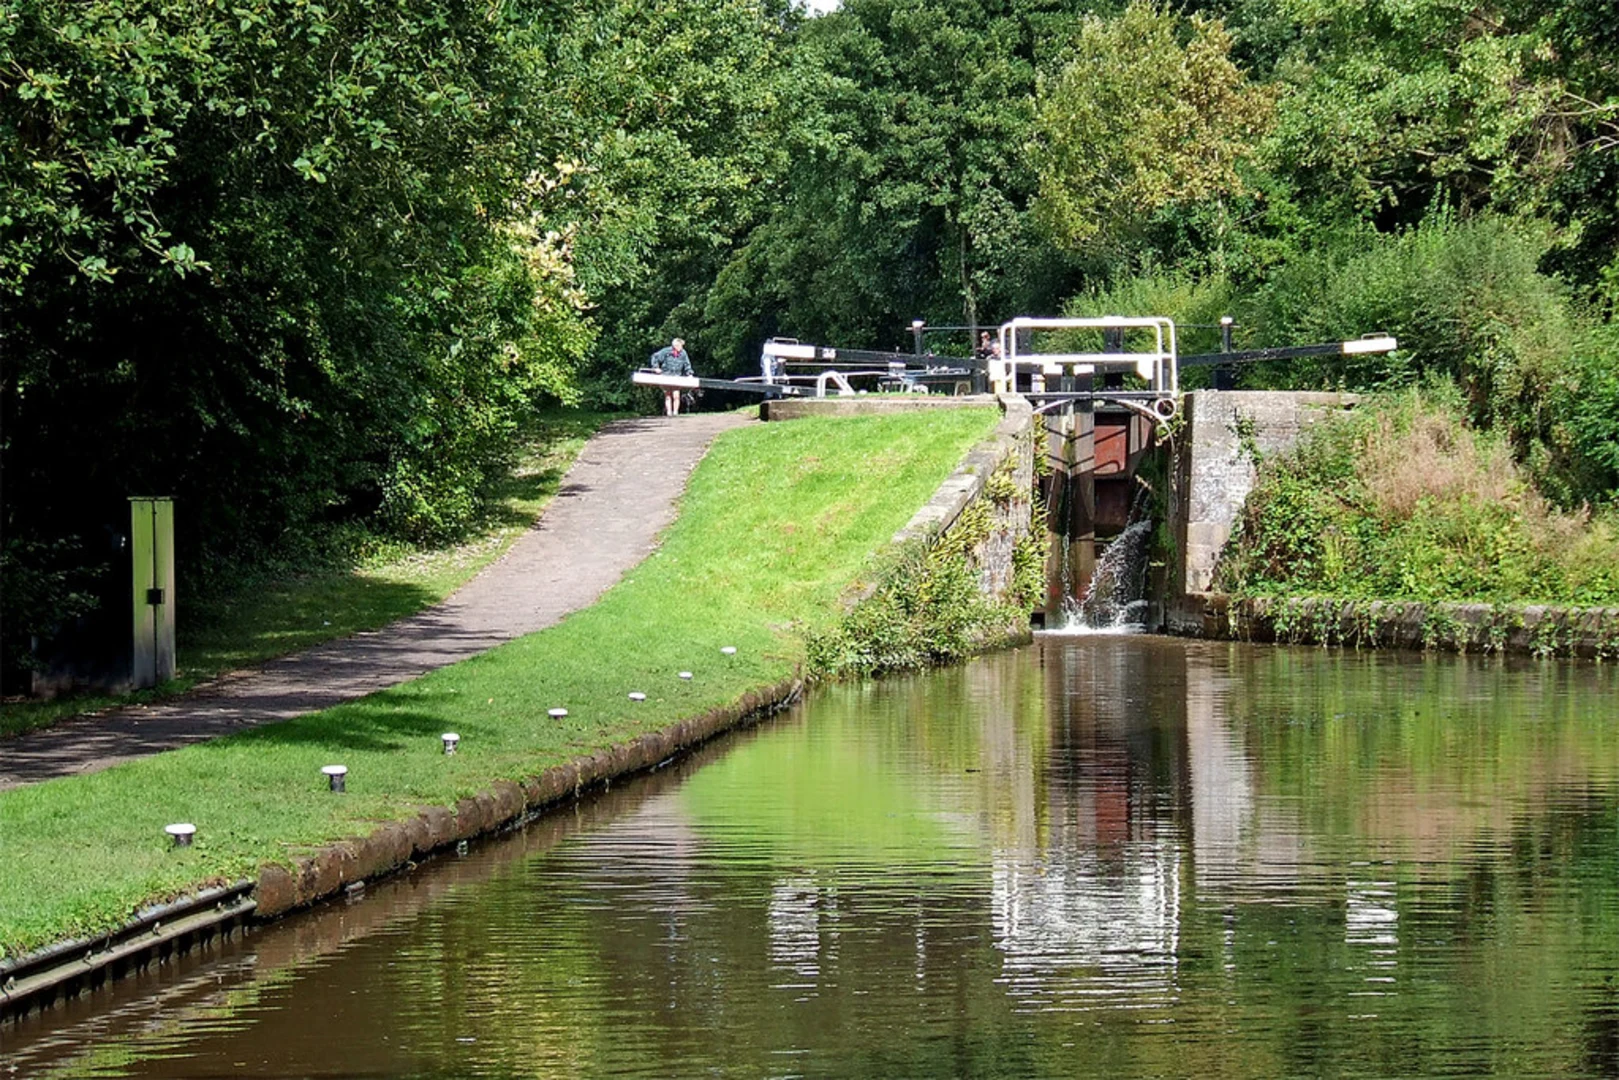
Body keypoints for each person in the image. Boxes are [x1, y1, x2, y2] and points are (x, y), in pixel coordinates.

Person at [649, 337, 694, 415]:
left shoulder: (683, 353)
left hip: (677, 376)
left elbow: (687, 364)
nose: (681, 347)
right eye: (680, 345)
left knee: (676, 395)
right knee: (668, 395)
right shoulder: (666, 351)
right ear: (675, 346)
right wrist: (656, 368)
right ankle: (669, 412)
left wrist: (689, 373)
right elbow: (655, 357)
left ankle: (675, 412)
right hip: (666, 376)